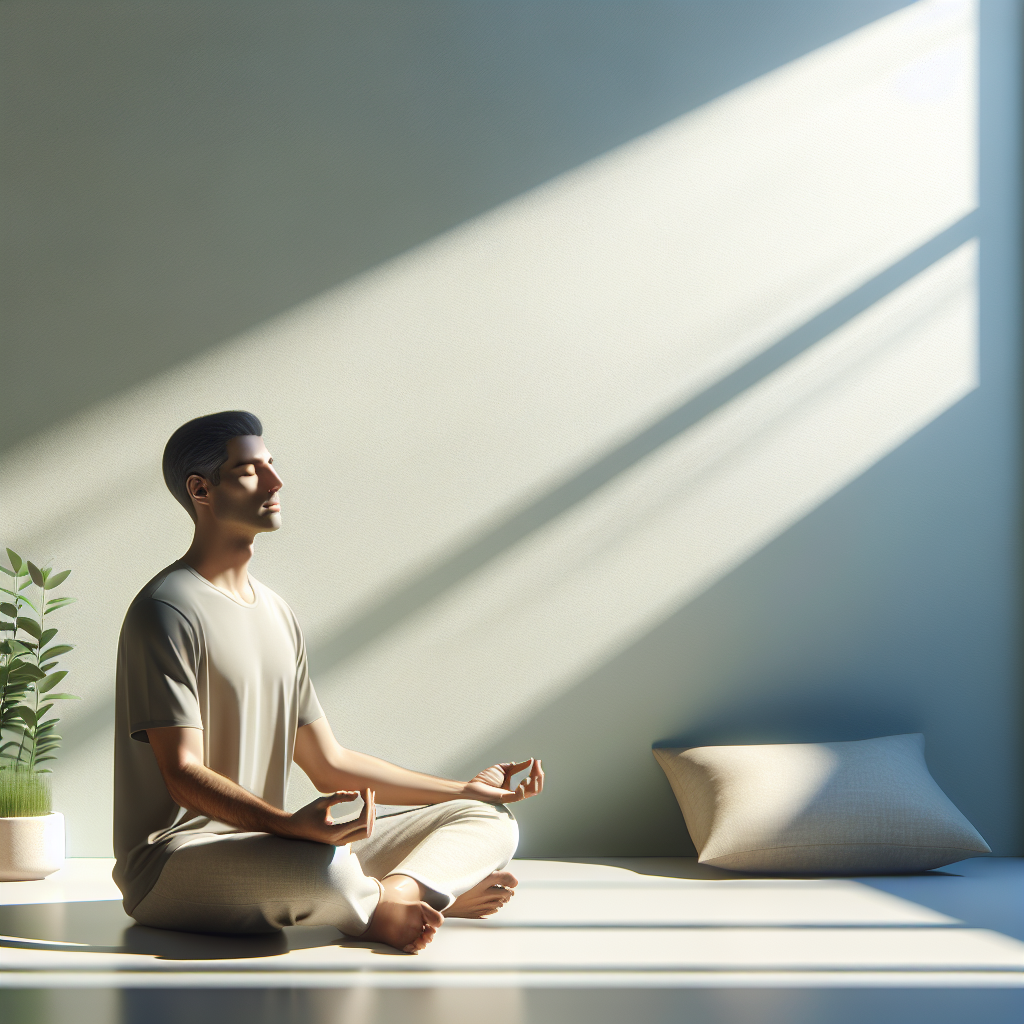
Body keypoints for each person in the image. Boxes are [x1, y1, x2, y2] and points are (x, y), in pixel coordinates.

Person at [112, 411, 543, 953]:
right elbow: (182, 774)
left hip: (275, 846)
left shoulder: (277, 613)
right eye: (250, 471)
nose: (276, 482)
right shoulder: (166, 610)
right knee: (328, 869)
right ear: (201, 490)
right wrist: (288, 826)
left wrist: (462, 789)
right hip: (173, 864)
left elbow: (328, 764)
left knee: (489, 819)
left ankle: (394, 895)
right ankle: (415, 896)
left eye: (271, 464)